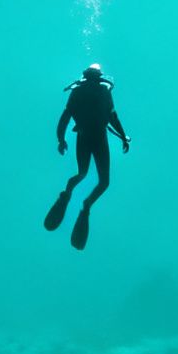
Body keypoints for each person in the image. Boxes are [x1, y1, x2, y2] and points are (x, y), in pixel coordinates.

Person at [44, 63, 130, 250]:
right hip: (98, 139)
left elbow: (64, 119)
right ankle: (85, 205)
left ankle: (68, 195)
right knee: (101, 181)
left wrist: (61, 139)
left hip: (85, 137)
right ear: (99, 77)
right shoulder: (102, 91)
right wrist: (123, 137)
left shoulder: (79, 91)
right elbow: (113, 118)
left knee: (82, 174)